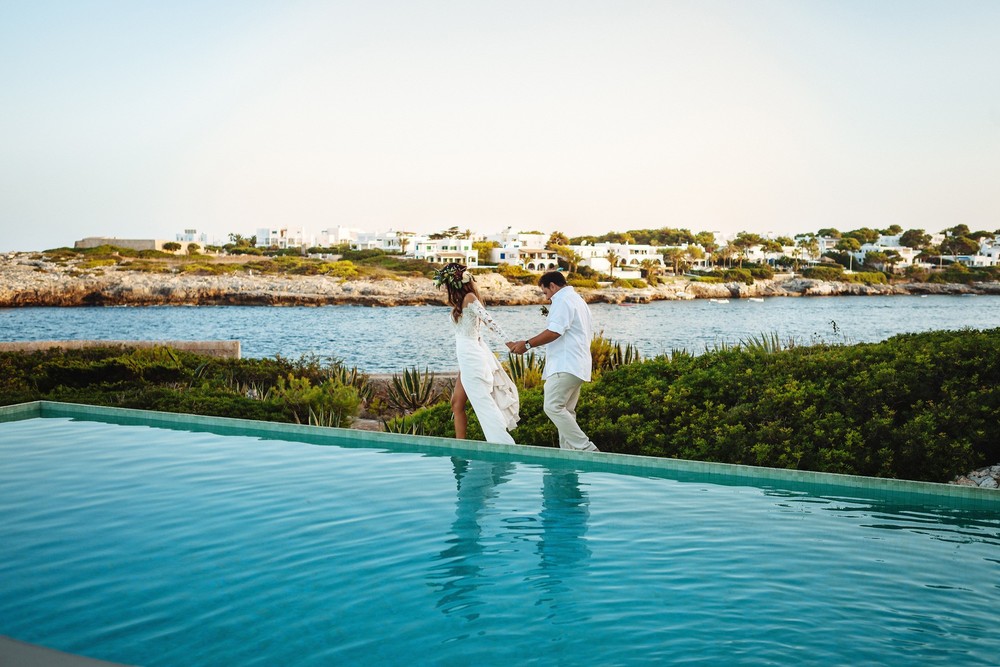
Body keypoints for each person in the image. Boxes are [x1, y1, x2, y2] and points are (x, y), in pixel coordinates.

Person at [508, 271, 599, 452]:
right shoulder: (578, 300)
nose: (546, 297)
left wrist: (527, 344)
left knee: (552, 407)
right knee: (567, 411)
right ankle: (569, 455)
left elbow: (554, 331)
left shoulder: (562, 300)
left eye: (545, 292)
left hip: (565, 364)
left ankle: (586, 448)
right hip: (578, 365)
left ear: (553, 286)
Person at [435, 263, 519, 444]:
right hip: (465, 357)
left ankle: (502, 444)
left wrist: (509, 342)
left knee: (483, 402)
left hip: (471, 356)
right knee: (456, 403)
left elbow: (490, 321)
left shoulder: (470, 298)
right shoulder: (461, 301)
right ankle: (461, 447)